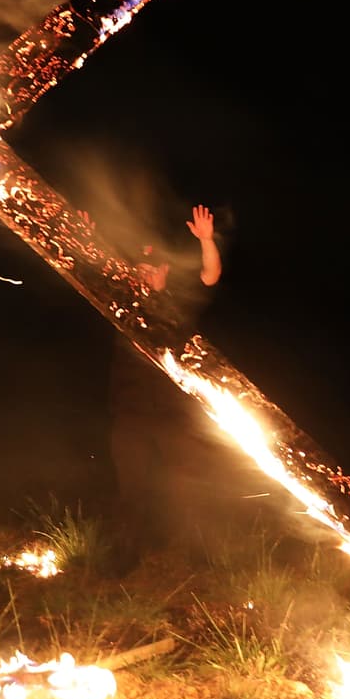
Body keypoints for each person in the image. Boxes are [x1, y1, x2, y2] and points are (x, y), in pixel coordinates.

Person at [106, 203, 223, 565]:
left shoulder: (176, 304)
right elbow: (81, 264)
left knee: (188, 484)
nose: (146, 276)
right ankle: (126, 556)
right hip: (131, 411)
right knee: (132, 485)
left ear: (166, 271)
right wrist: (80, 233)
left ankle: (201, 554)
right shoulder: (121, 304)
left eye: (153, 269)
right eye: (140, 270)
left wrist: (206, 240)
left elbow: (210, 275)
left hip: (175, 413)